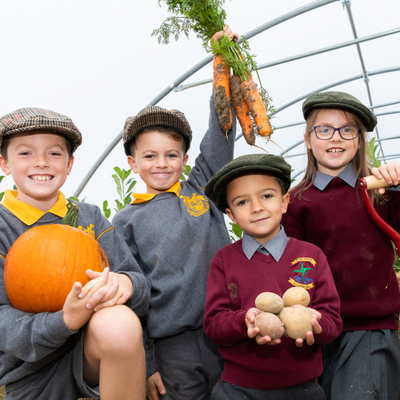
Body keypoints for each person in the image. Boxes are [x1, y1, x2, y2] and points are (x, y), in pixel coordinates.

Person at [111, 27, 238, 400]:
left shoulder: (202, 189)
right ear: (133, 163)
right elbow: (129, 299)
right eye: (150, 156)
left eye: (171, 155)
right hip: (170, 346)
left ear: (185, 159)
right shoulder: (125, 221)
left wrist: (223, 65)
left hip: (226, 331)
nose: (162, 164)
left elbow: (220, 136)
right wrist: (146, 363)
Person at [0, 107, 150, 400]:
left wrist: (124, 285)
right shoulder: (3, 226)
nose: (41, 163)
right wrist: (64, 320)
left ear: (69, 165)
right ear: (4, 163)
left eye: (54, 154)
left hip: (89, 356)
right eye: (25, 153)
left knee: (119, 321)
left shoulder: (89, 218)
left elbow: (140, 286)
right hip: (28, 371)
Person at [281, 91, 400, 400]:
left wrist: (398, 188)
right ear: (308, 139)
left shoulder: (378, 190)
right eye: (324, 129)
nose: (336, 137)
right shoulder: (295, 203)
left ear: (359, 141)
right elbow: (295, 269)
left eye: (347, 129)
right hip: (317, 330)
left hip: (370, 329)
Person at [203, 153, 343, 400]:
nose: (257, 207)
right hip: (237, 390)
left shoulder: (312, 255)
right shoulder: (223, 260)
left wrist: (315, 322)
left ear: (285, 202)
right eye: (242, 202)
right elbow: (213, 324)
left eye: (267, 196)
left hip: (303, 390)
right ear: (231, 216)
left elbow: (333, 322)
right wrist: (243, 320)